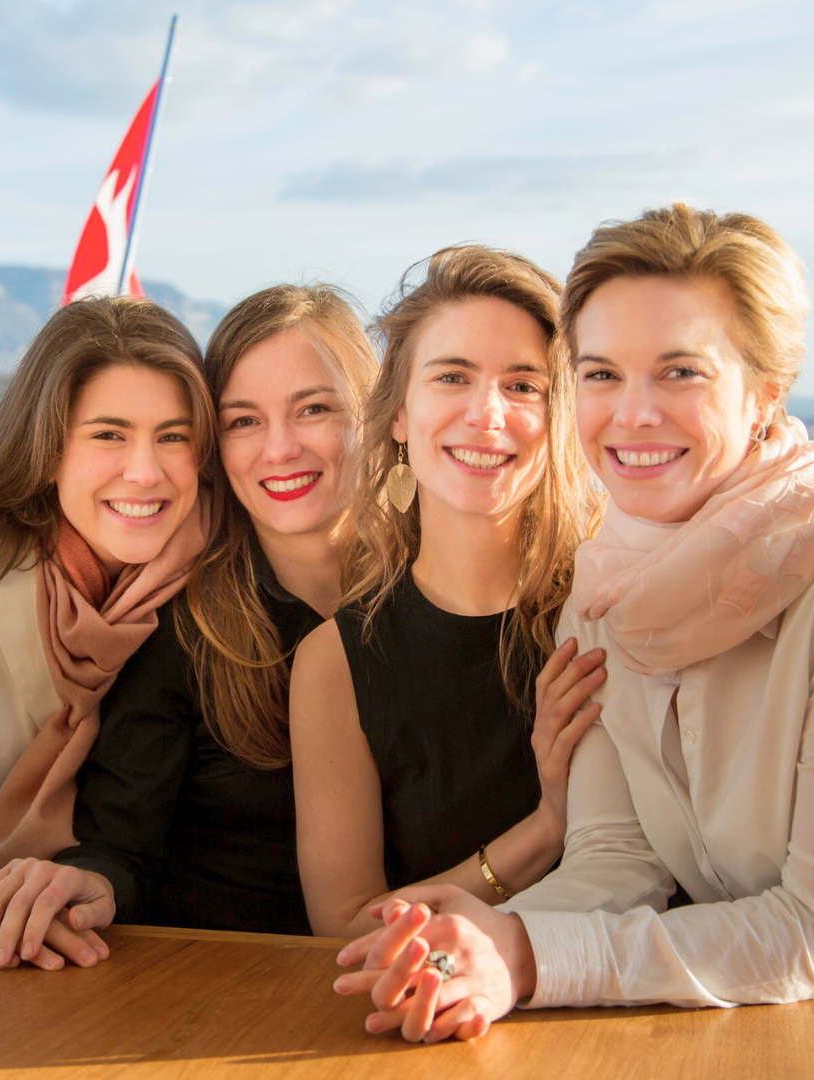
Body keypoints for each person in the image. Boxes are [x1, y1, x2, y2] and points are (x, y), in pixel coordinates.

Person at [335, 204, 814, 1041]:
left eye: (680, 372)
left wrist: (525, 954)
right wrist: (468, 942)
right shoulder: (601, 601)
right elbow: (619, 864)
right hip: (772, 1016)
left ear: (766, 394)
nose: (632, 414)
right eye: (601, 374)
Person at [0, 284, 379, 956]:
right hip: (219, 988)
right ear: (217, 448)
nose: (279, 449)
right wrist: (86, 884)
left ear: (376, 413)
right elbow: (121, 847)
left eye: (314, 409)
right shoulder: (186, 625)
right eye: (244, 420)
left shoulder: (432, 597)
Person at [0, 297, 214, 971]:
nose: (145, 471)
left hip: (156, 941)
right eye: (109, 435)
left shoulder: (219, 573)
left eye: (173, 436)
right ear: (48, 450)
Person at [290, 246, 607, 939]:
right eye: (452, 377)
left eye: (523, 385)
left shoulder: (608, 614)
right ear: (399, 415)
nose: (485, 413)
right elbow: (343, 929)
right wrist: (546, 830)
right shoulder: (336, 663)